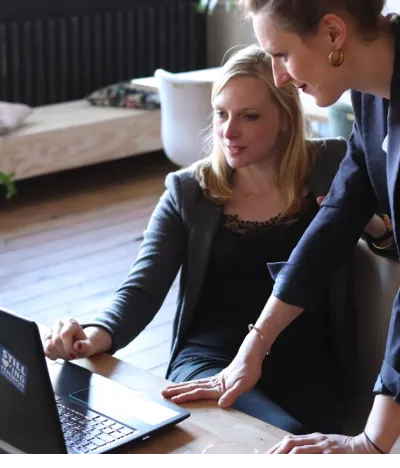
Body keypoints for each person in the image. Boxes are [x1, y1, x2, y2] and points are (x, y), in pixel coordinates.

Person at [43, 44, 385, 438]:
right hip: (209, 362)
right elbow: (141, 289)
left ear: (285, 118)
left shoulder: (334, 165)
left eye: (249, 116)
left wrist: (371, 225)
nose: (228, 131)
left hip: (309, 368)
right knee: (270, 434)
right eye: (221, 114)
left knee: (284, 435)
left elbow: (390, 242)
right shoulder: (189, 191)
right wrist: (92, 336)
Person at [164, 0, 400, 456]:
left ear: (333, 33)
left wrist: (371, 443)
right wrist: (252, 350)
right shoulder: (371, 97)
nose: (279, 77)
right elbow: (335, 220)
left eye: (282, 54)